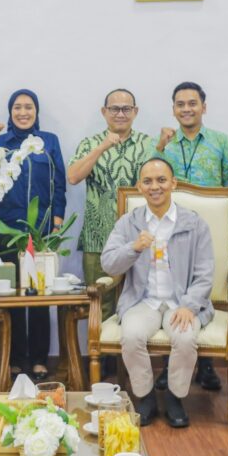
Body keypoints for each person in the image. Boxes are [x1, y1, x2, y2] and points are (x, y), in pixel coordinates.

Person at [101, 158, 214, 428]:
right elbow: (108, 262)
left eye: (161, 180)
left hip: (182, 302)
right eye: (148, 181)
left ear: (173, 183)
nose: (155, 187)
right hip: (143, 301)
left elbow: (205, 272)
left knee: (185, 338)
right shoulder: (130, 222)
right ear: (139, 186)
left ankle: (175, 397)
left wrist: (189, 305)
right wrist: (134, 248)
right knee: (130, 336)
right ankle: (146, 395)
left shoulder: (194, 223)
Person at [151, 81, 228, 391]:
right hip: (168, 229)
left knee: (202, 288)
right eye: (180, 104)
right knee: (171, 290)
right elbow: (145, 178)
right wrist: (159, 147)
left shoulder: (222, 142)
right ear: (173, 108)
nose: (186, 109)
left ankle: (207, 365)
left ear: (204, 106)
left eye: (192, 103)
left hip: (210, 228)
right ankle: (169, 365)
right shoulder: (163, 144)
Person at [0, 89, 67, 380]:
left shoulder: (49, 141)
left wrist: (57, 219)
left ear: (36, 111)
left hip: (40, 231)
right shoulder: (1, 143)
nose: (23, 112)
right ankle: (16, 357)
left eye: (28, 107)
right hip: (6, 229)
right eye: (17, 107)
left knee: (38, 294)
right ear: (10, 112)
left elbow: (59, 182)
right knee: (13, 295)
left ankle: (39, 358)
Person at [66, 88, 156, 323]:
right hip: (98, 237)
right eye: (114, 109)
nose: (120, 114)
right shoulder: (91, 143)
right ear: (104, 112)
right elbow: (73, 177)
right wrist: (102, 147)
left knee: (140, 304)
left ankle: (131, 360)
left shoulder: (149, 144)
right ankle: (101, 360)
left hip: (139, 239)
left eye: (126, 109)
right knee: (101, 304)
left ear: (135, 112)